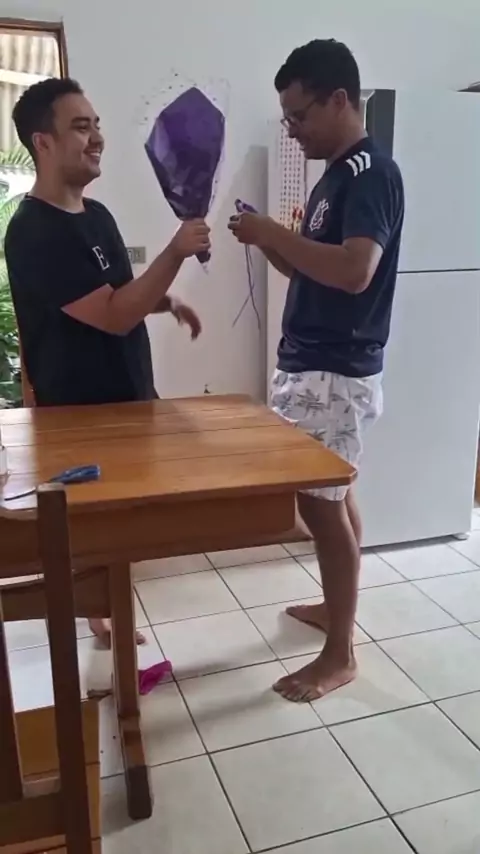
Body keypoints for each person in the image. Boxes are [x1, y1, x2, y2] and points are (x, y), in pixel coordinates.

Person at [5, 77, 210, 646]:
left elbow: (120, 292)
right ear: (42, 142)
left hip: (128, 398)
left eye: (96, 125)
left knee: (120, 524)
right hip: (79, 416)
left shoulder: (97, 215)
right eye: (80, 127)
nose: (97, 137)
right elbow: (116, 315)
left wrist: (166, 302)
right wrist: (175, 251)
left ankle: (108, 610)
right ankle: (100, 616)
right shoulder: (32, 232)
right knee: (89, 526)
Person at [229, 39, 404, 702]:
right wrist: (268, 237)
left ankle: (340, 654)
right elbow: (311, 268)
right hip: (313, 363)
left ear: (339, 99)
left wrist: (276, 235)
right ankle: (337, 613)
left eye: (299, 116)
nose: (292, 130)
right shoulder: (334, 176)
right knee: (335, 498)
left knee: (319, 506)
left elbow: (356, 272)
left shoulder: (370, 172)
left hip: (335, 369)